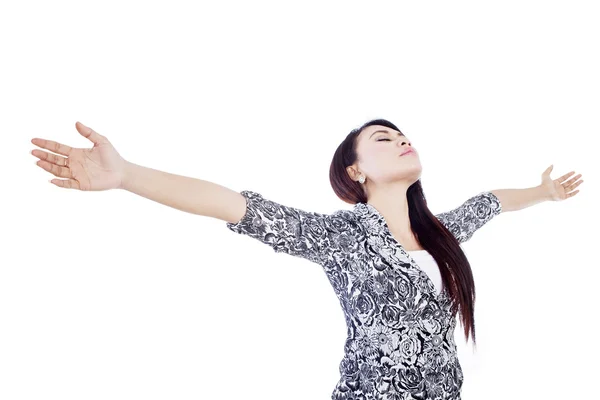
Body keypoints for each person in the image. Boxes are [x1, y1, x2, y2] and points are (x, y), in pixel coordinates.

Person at [31, 119, 583, 400]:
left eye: (404, 135)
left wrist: (544, 194)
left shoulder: (440, 235)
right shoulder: (339, 237)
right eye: (384, 138)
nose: (402, 141)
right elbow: (232, 204)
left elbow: (490, 202)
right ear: (355, 170)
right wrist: (126, 175)